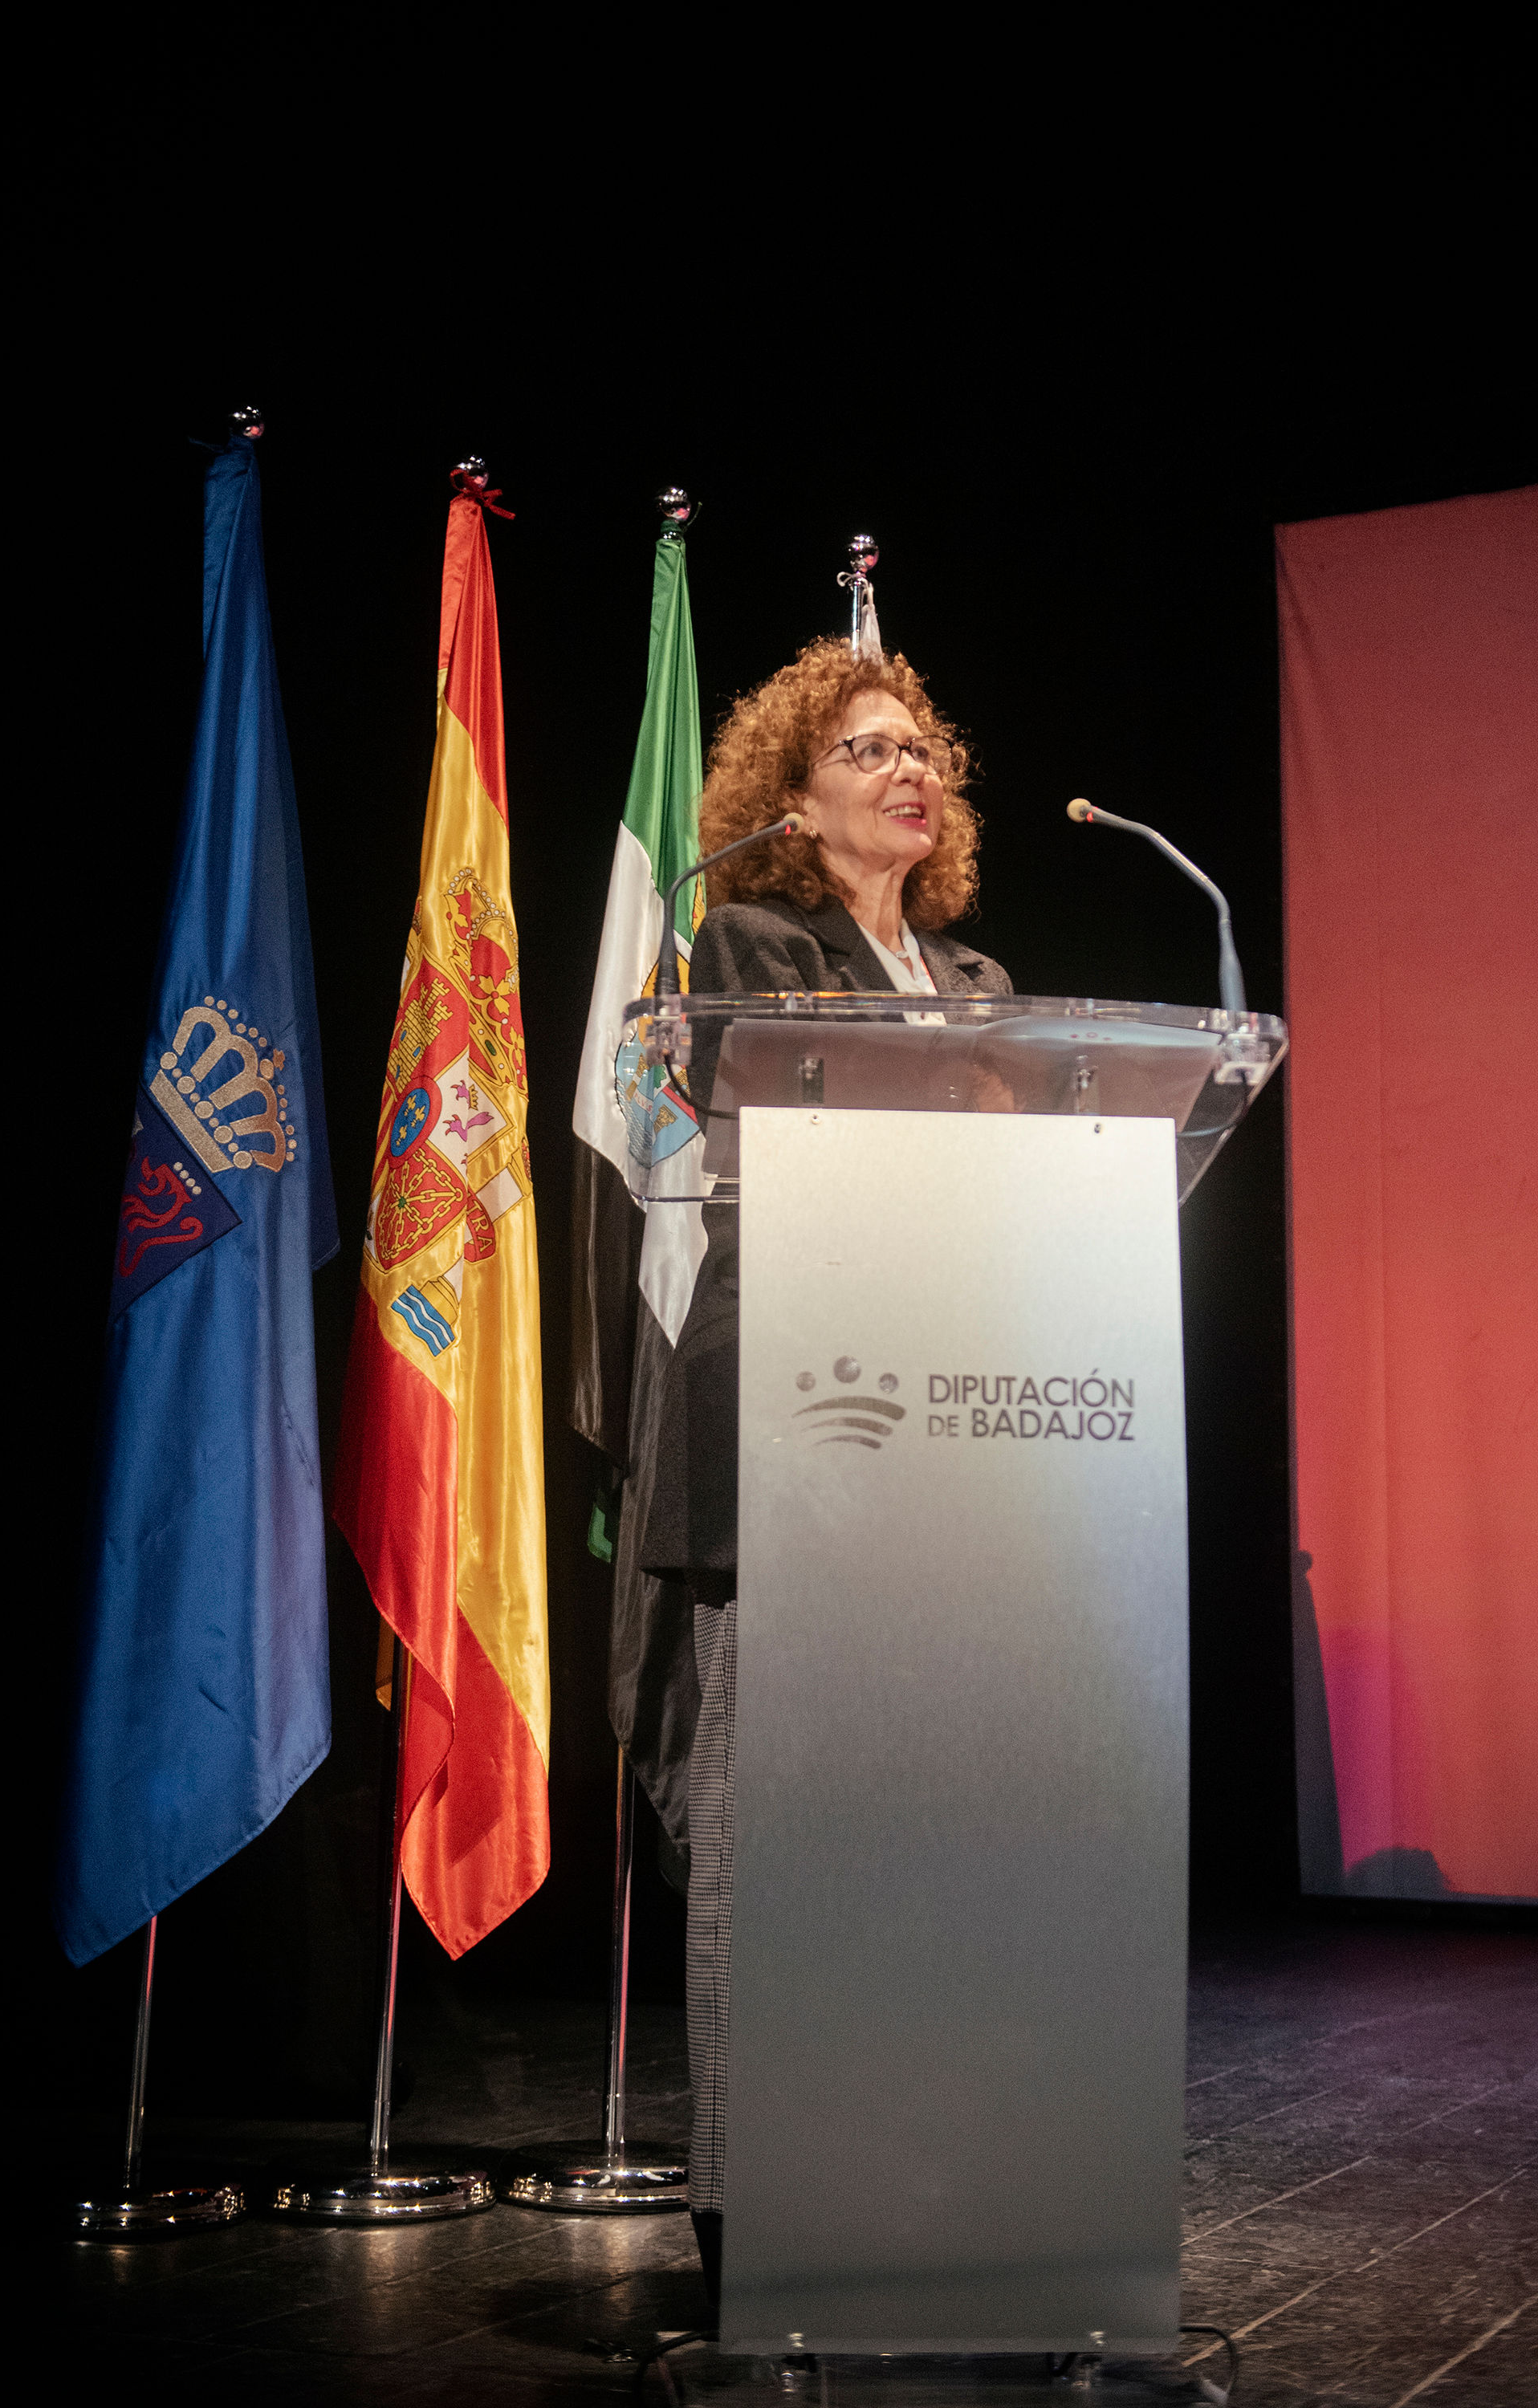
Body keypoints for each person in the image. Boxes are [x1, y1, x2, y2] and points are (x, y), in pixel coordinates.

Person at [637, 638, 1014, 2308]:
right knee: (760, 1831)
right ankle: (744, 2197)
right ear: (792, 802)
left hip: (947, 1436)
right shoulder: (751, 941)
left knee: (905, 1825)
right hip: (789, 1419)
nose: (908, 768)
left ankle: (902, 2172)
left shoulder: (987, 982)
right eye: (867, 749)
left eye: (920, 747)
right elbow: (806, 1116)